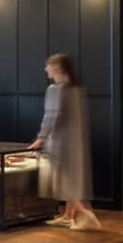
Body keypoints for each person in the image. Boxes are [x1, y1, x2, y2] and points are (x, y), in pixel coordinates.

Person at [29, 52, 99, 230]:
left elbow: (51, 116)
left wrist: (40, 139)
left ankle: (83, 215)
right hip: (75, 142)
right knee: (71, 178)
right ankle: (68, 216)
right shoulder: (75, 88)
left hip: (60, 143)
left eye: (48, 66)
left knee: (65, 179)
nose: (46, 69)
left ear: (57, 68)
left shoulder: (55, 90)